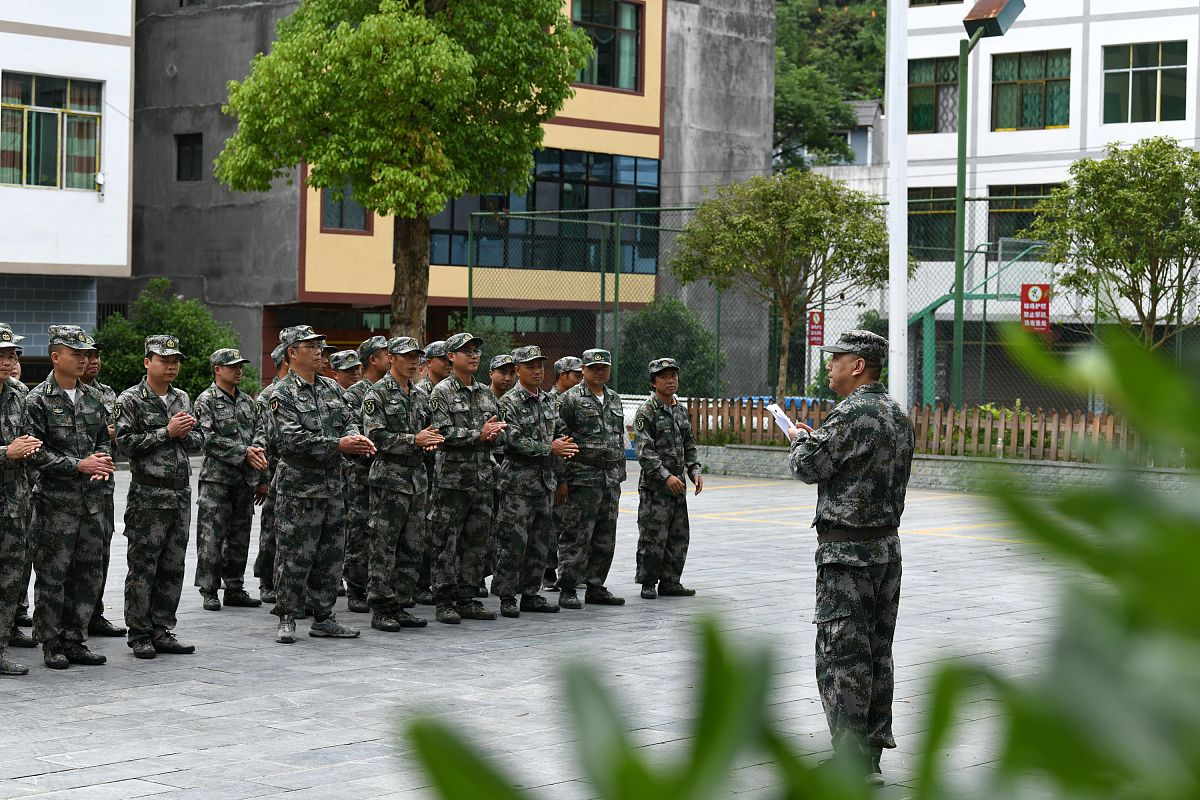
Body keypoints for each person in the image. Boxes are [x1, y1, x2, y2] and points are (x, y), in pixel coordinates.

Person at [786, 330, 914, 786]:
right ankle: (870, 758)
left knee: (842, 655)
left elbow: (808, 467)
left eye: (836, 358)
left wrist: (802, 442)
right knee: (878, 652)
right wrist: (817, 439)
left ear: (858, 364)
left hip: (847, 554)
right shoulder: (897, 415)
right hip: (885, 552)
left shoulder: (850, 413)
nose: (830, 365)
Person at [269, 325, 375, 644]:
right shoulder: (281, 394)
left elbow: (348, 419)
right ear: (292, 353)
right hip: (299, 486)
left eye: (319, 345)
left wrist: (355, 437)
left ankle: (324, 615)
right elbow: (290, 440)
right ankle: (287, 615)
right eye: (310, 346)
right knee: (294, 553)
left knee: (330, 554)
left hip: (332, 485)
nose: (319, 351)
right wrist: (339, 444)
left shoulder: (331, 388)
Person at [25, 325, 114, 669]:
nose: (83, 360)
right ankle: (50, 642)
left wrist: (102, 460)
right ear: (56, 357)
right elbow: (34, 451)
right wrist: (78, 465)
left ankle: (75, 638)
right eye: (76, 354)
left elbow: (102, 439)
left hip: (92, 502)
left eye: (86, 354)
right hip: (54, 503)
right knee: (52, 575)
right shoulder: (38, 400)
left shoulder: (93, 398)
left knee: (87, 573)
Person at [115, 335, 205, 659]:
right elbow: (124, 444)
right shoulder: (130, 399)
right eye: (164, 360)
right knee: (143, 566)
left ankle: (162, 628)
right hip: (148, 493)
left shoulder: (182, 397)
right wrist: (166, 433)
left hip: (179, 492)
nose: (171, 366)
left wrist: (185, 433)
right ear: (147, 362)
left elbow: (199, 440)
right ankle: (139, 632)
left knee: (173, 565)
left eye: (175, 360)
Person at [361, 336, 443, 631]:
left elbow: (429, 431)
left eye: (416, 357)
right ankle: (381, 606)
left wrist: (429, 443)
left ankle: (402, 602)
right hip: (390, 478)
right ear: (391, 358)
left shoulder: (420, 395)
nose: (413, 362)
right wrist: (414, 440)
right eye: (407, 356)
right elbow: (375, 437)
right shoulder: (377, 394)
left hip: (417, 479)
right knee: (384, 545)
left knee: (412, 545)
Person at [491, 346, 577, 618]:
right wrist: (549, 448)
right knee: (513, 543)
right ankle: (506, 595)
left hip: (544, 483)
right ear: (517, 370)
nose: (537, 371)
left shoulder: (550, 402)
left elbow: (561, 434)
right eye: (531, 366)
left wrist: (562, 453)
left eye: (540, 365)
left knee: (541, 542)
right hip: (517, 484)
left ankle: (530, 593)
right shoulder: (508, 402)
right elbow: (511, 440)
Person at [427, 332, 505, 624]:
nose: (474, 356)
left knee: (477, 540)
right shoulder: (442, 392)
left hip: (482, 478)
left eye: (476, 351)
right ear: (451, 357)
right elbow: (442, 433)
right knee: (447, 540)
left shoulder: (485, 393)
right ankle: (445, 600)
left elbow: (497, 430)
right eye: (467, 351)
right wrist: (478, 435)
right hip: (452, 481)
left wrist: (496, 434)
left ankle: (468, 596)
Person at [193, 348, 268, 611]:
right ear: (218, 370)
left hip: (245, 479)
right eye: (233, 366)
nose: (239, 370)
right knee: (212, 535)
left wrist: (261, 474)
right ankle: (209, 588)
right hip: (217, 481)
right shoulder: (206, 400)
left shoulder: (248, 401)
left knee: (240, 536)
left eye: (240, 365)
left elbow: (261, 434)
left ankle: (234, 586)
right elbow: (207, 438)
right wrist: (242, 452)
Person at [554, 349, 627, 609]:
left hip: (610, 480)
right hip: (582, 478)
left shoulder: (615, 399)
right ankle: (568, 588)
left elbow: (618, 438)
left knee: (605, 536)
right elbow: (561, 439)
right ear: (583, 369)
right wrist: (562, 479)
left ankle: (596, 586)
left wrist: (619, 474)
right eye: (594, 367)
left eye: (604, 367)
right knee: (576, 535)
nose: (599, 371)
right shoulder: (570, 399)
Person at [633, 358, 703, 600]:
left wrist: (694, 470)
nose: (670, 380)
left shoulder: (680, 410)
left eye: (673, 375)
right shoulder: (647, 411)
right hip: (655, 488)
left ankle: (671, 581)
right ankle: (648, 583)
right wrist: (666, 477)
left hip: (678, 487)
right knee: (653, 536)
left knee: (679, 535)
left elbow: (689, 444)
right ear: (653, 382)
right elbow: (645, 452)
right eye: (663, 376)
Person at [80, 343, 127, 638]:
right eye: (87, 356)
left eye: (97, 355)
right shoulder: (45, 397)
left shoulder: (108, 394)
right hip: (69, 487)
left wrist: (113, 435)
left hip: (102, 487)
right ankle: (68, 619)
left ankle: (94, 613)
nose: (94, 361)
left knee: (100, 553)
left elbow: (123, 436)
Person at [0, 324, 39, 675]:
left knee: (10, 580)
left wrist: (28, 450)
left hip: (13, 503)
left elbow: (26, 440)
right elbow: (10, 449)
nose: (6, 361)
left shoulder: (17, 392)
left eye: (10, 354)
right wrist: (6, 453)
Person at [340, 336, 389, 613]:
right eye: (385, 354)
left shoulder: (394, 390)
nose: (391, 357)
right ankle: (356, 588)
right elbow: (355, 435)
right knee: (359, 531)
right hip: (362, 474)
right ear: (373, 360)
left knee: (383, 534)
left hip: (389, 475)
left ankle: (379, 586)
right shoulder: (354, 395)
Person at [413, 340, 449, 606]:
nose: (448, 363)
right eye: (442, 359)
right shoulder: (422, 391)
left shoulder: (450, 391)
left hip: (443, 471)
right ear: (428, 362)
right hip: (425, 469)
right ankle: (420, 583)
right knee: (425, 530)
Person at [543, 356, 583, 590]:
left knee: (570, 524)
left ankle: (569, 571)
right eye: (576, 375)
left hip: (577, 472)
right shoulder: (552, 402)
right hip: (556, 475)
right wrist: (561, 480)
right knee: (552, 523)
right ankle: (548, 571)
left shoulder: (577, 400)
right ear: (562, 376)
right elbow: (557, 444)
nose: (580, 380)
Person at [253, 343, 288, 604]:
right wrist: (263, 479)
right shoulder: (268, 396)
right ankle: (266, 580)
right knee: (271, 528)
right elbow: (262, 440)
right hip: (274, 468)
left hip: (292, 471)